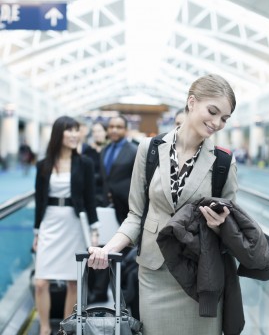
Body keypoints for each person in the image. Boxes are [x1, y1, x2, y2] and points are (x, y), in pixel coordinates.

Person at [87, 74, 238, 334]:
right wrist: (107, 249)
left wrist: (220, 225)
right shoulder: (150, 149)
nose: (217, 123)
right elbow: (136, 214)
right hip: (154, 273)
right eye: (213, 112)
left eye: (224, 118)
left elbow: (231, 226)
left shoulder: (223, 161)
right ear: (192, 102)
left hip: (200, 276)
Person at [32, 116, 99, 335]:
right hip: (50, 222)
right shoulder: (44, 164)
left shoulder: (85, 164)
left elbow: (90, 199)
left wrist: (94, 231)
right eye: (68, 130)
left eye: (76, 131)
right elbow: (40, 200)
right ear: (58, 134)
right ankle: (44, 328)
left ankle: (64, 328)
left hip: (74, 224)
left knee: (72, 282)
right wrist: (36, 232)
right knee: (41, 282)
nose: (73, 135)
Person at [100, 115, 138, 224]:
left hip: (127, 206)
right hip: (106, 204)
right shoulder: (104, 150)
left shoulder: (134, 151)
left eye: (119, 127)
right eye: (111, 127)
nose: (114, 130)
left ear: (126, 130)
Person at [83, 121, 107, 207]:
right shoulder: (87, 150)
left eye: (99, 131)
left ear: (106, 132)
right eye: (94, 131)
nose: (97, 134)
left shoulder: (109, 150)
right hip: (91, 190)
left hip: (106, 191)